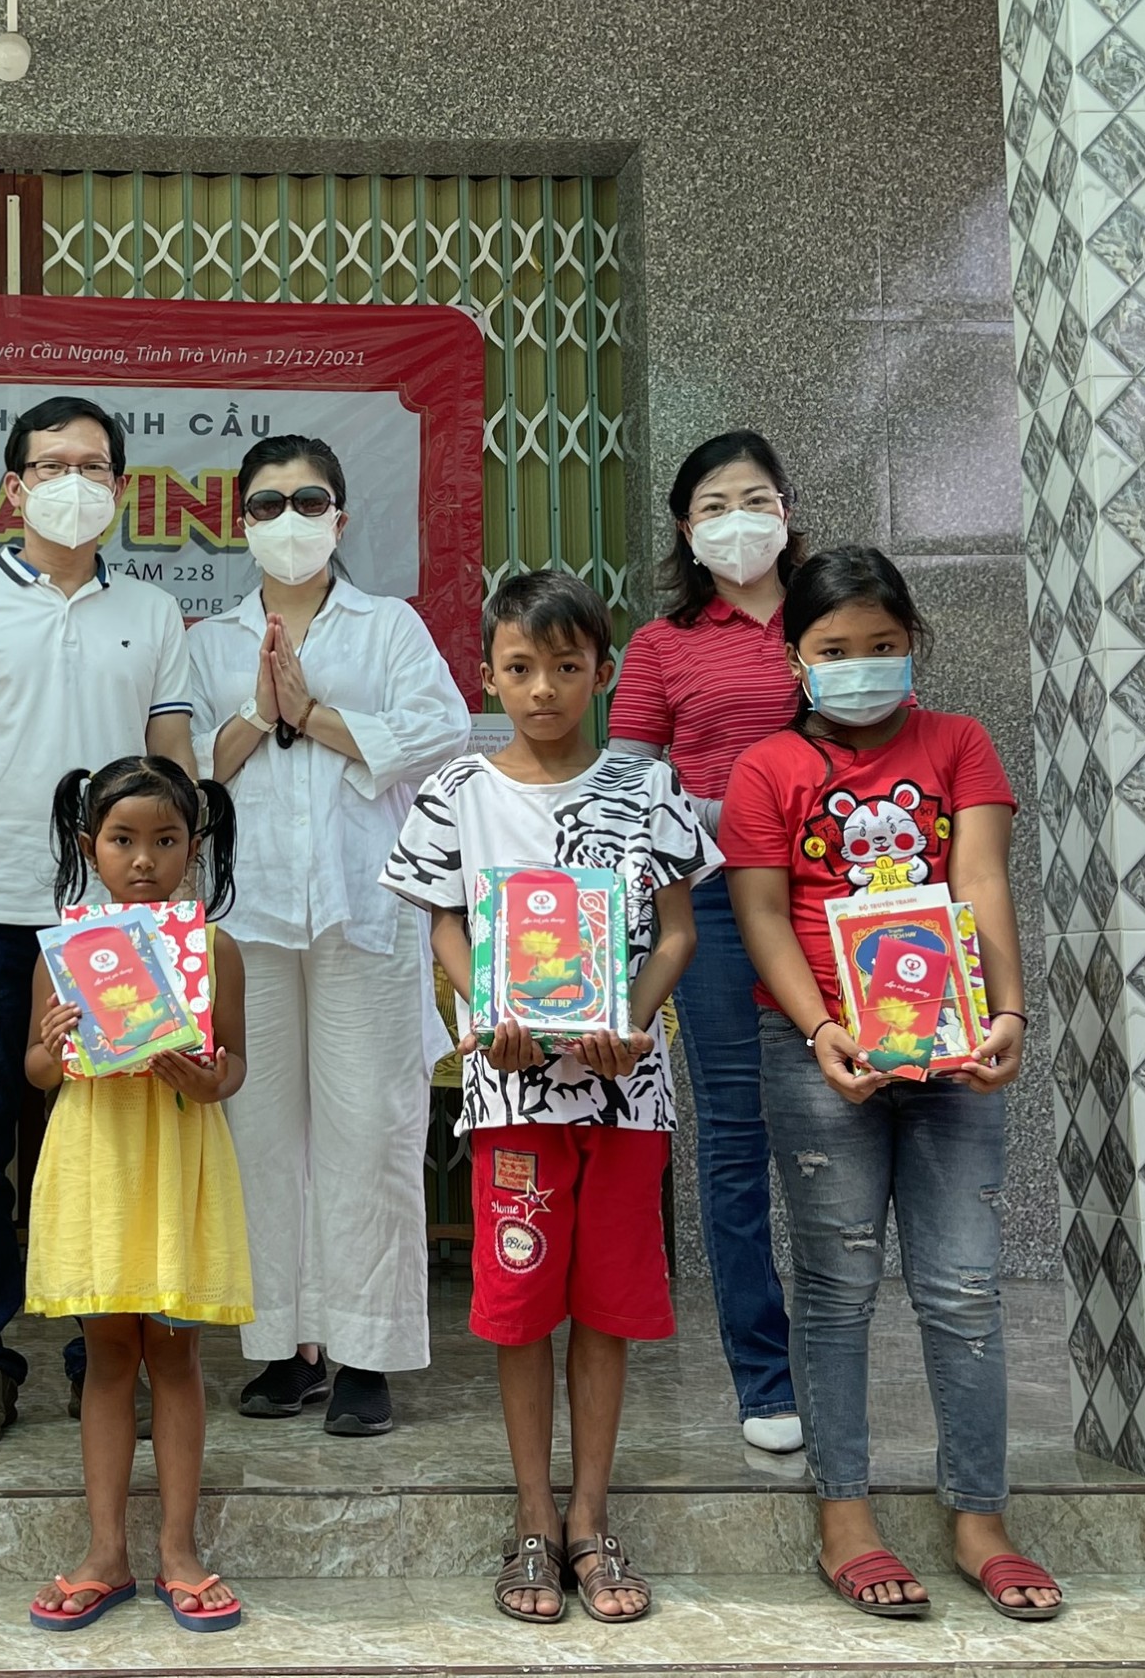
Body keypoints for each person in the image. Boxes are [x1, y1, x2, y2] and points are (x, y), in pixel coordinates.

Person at [719, 546, 1062, 1625]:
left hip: (954, 1051)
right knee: (837, 1287)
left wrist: (1008, 1012)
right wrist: (821, 1028)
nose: (861, 664)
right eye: (835, 649)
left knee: (963, 1287)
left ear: (913, 642)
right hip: (819, 1054)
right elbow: (761, 913)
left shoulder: (959, 744)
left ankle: (979, 1518)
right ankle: (844, 1517)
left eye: (882, 645)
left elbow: (981, 878)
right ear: (796, 657)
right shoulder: (766, 769)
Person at [382, 571, 712, 1626]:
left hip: (624, 1095)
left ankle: (589, 1518)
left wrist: (635, 1020)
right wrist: (483, 1005)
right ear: (486, 675)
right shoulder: (456, 793)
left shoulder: (648, 789)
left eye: (566, 667)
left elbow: (679, 932)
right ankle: (532, 1515)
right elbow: (441, 920)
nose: (542, 689)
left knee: (607, 1308)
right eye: (519, 668)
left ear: (602, 673)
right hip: (510, 1095)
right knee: (520, 1309)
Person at [0, 397, 197, 1447]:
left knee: (96, 1148)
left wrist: (178, 909)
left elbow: (172, 762)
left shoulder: (153, 611)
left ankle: (95, 1357)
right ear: (14, 487)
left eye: (94, 466)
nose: (74, 483)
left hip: (108, 929)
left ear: (121, 488)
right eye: (53, 466)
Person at [188, 435, 467, 1437]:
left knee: (369, 1133)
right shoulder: (208, 642)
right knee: (260, 1136)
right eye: (267, 504)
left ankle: (365, 1355)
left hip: (367, 912)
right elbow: (183, 772)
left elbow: (442, 731)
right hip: (247, 918)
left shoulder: (388, 626)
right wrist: (258, 714)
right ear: (241, 524)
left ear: (340, 518)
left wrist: (314, 714)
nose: (289, 519)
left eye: (309, 501)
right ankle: (286, 1346)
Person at [606, 430, 806, 1455]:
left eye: (756, 499)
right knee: (735, 1134)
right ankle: (764, 1378)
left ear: (787, 510)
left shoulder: (833, 614)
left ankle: (834, 1355)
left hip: (836, 903)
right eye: (715, 506)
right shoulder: (662, 644)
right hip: (718, 905)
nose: (738, 521)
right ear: (687, 529)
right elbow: (627, 787)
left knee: (845, 1118)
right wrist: (729, 819)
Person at [23, 756, 250, 1633]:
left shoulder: (216, 951)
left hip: (176, 1160)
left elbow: (234, 1065)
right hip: (99, 1166)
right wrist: (52, 1043)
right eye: (123, 840)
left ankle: (179, 1551)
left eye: (165, 840)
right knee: (109, 1357)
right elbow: (38, 1070)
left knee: (178, 1358)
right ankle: (105, 1551)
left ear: (195, 846)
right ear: (91, 847)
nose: (144, 859)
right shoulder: (64, 952)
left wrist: (205, 1078)